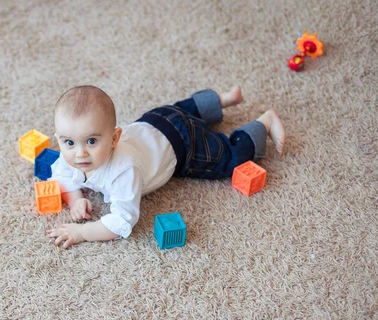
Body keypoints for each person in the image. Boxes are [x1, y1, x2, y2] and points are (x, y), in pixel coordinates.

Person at [46, 85, 286, 249]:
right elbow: (61, 174)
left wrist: (82, 233)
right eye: (69, 142)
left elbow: (121, 221)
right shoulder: (71, 157)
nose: (80, 154)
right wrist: (76, 198)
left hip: (183, 142)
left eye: (91, 141)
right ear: (60, 140)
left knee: (228, 159)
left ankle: (264, 123)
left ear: (114, 138)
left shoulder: (122, 170)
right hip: (156, 118)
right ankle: (224, 99)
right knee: (183, 108)